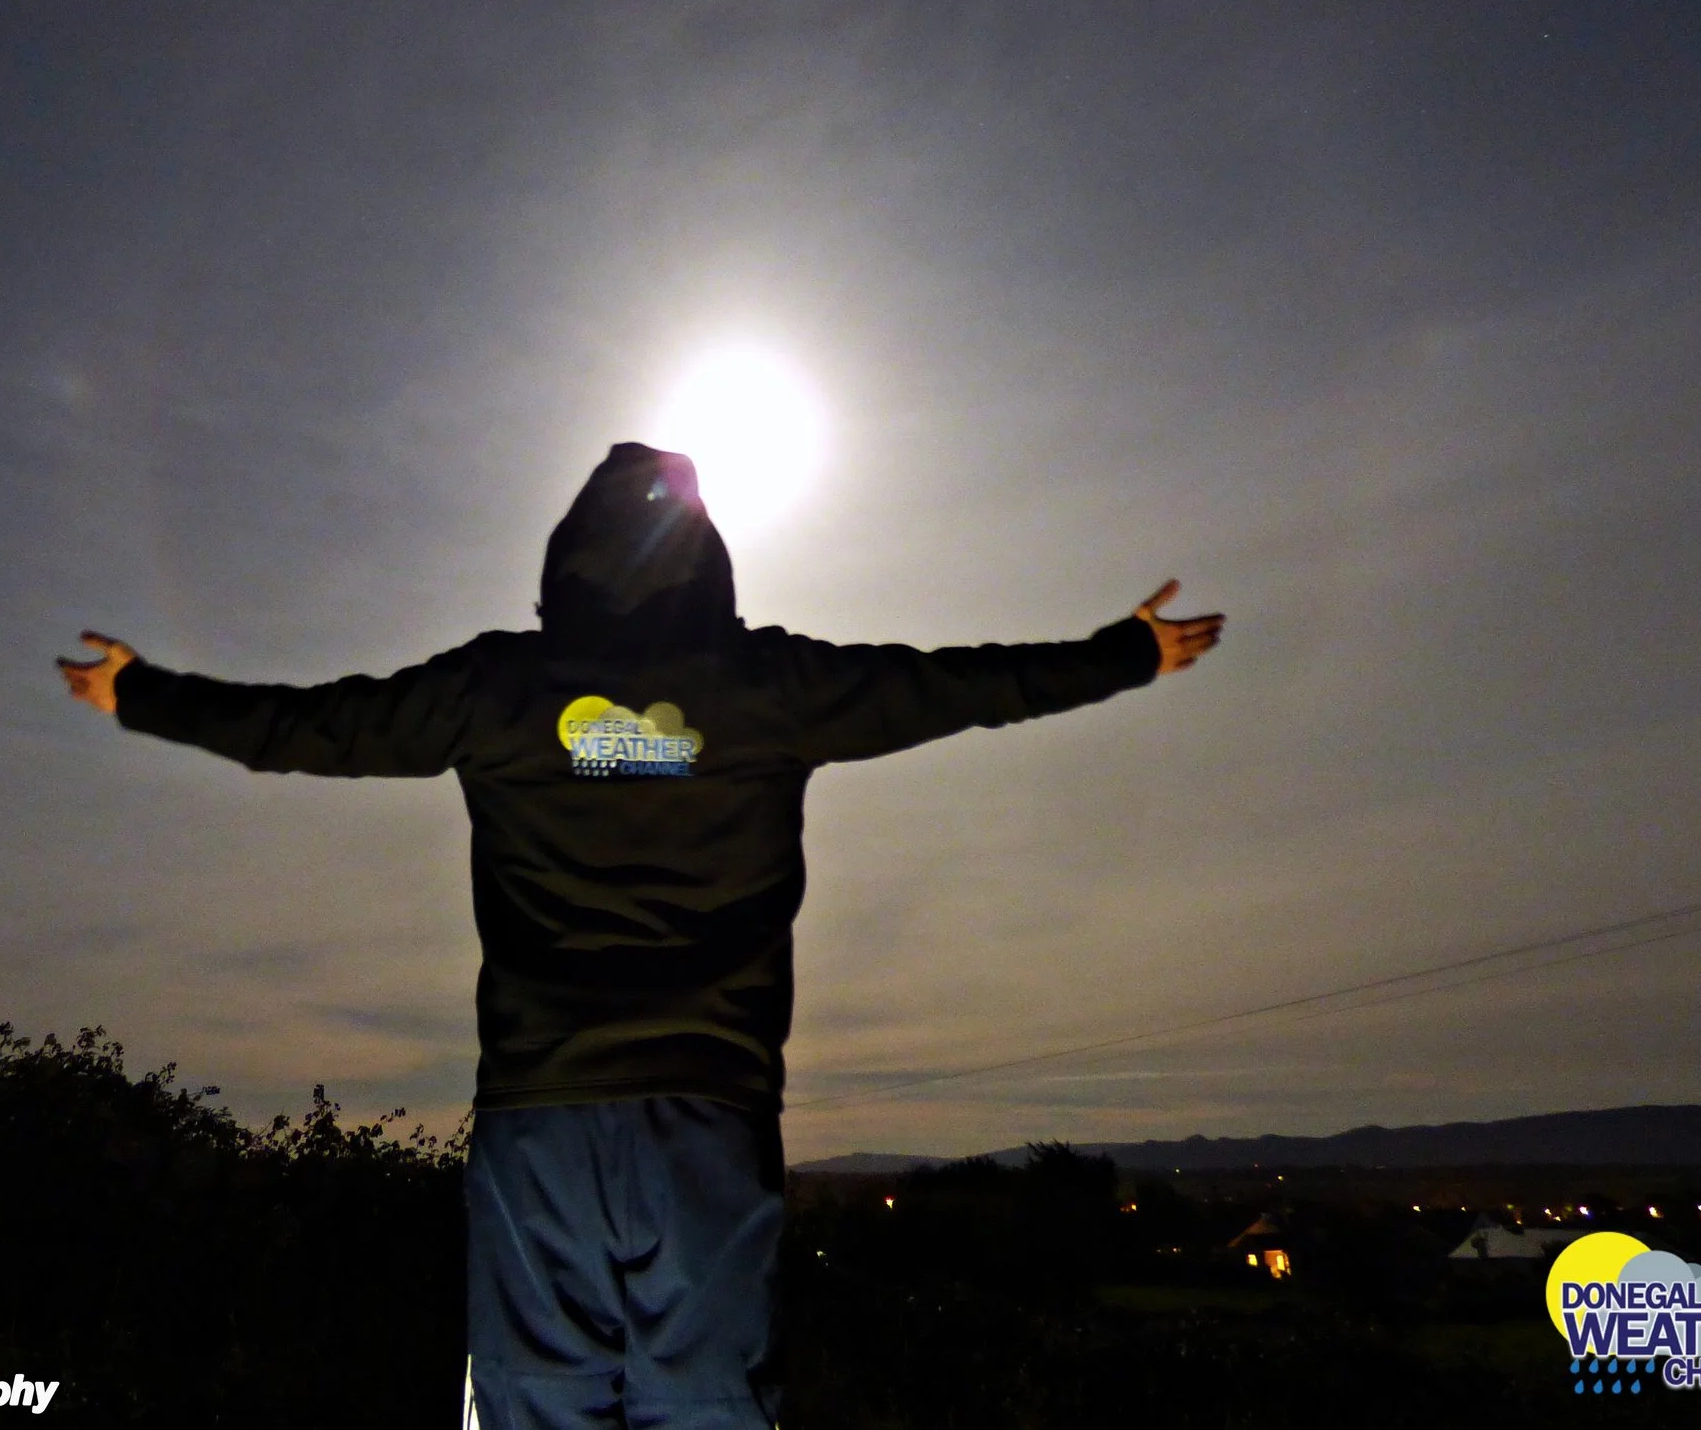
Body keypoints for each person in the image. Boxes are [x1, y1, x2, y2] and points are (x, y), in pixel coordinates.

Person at [59, 442, 1222, 1428]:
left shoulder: (497, 689)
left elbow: (307, 728)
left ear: (563, 560)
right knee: (710, 1404)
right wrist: (1125, 652)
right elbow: (958, 687)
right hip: (710, 1119)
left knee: (537, 1403)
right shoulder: (768, 684)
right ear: (707, 558)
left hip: (538, 1123)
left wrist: (141, 693)